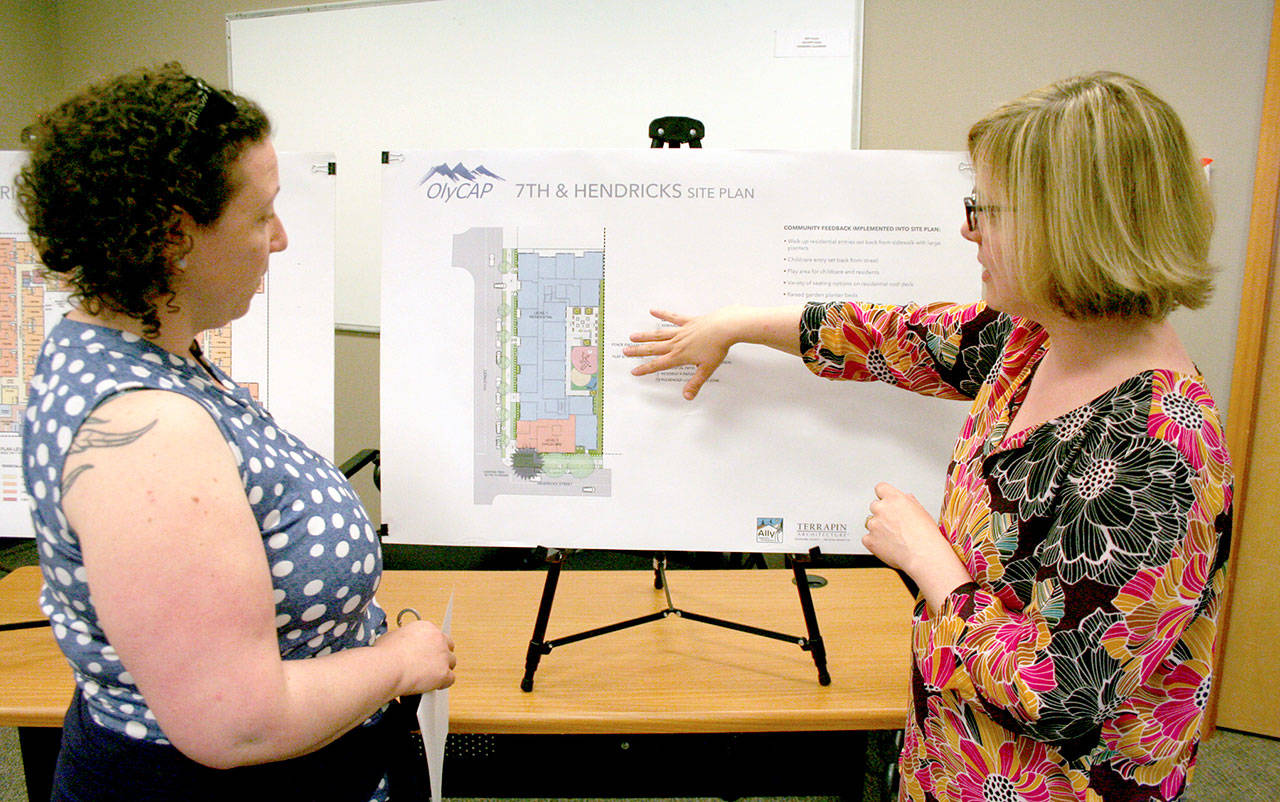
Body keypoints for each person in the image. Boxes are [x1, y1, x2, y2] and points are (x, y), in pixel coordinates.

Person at [624, 71, 1231, 801]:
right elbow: (894, 338)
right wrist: (735, 326)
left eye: (987, 209)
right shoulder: (1036, 338)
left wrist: (927, 559)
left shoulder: (1158, 449)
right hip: (950, 758)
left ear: (1070, 226)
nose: (969, 230)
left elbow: (1057, 692)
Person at [17, 63, 455, 801]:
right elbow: (235, 725)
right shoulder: (143, 432)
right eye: (260, 216)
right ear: (173, 236)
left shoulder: (143, 352)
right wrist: (400, 662)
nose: (279, 239)